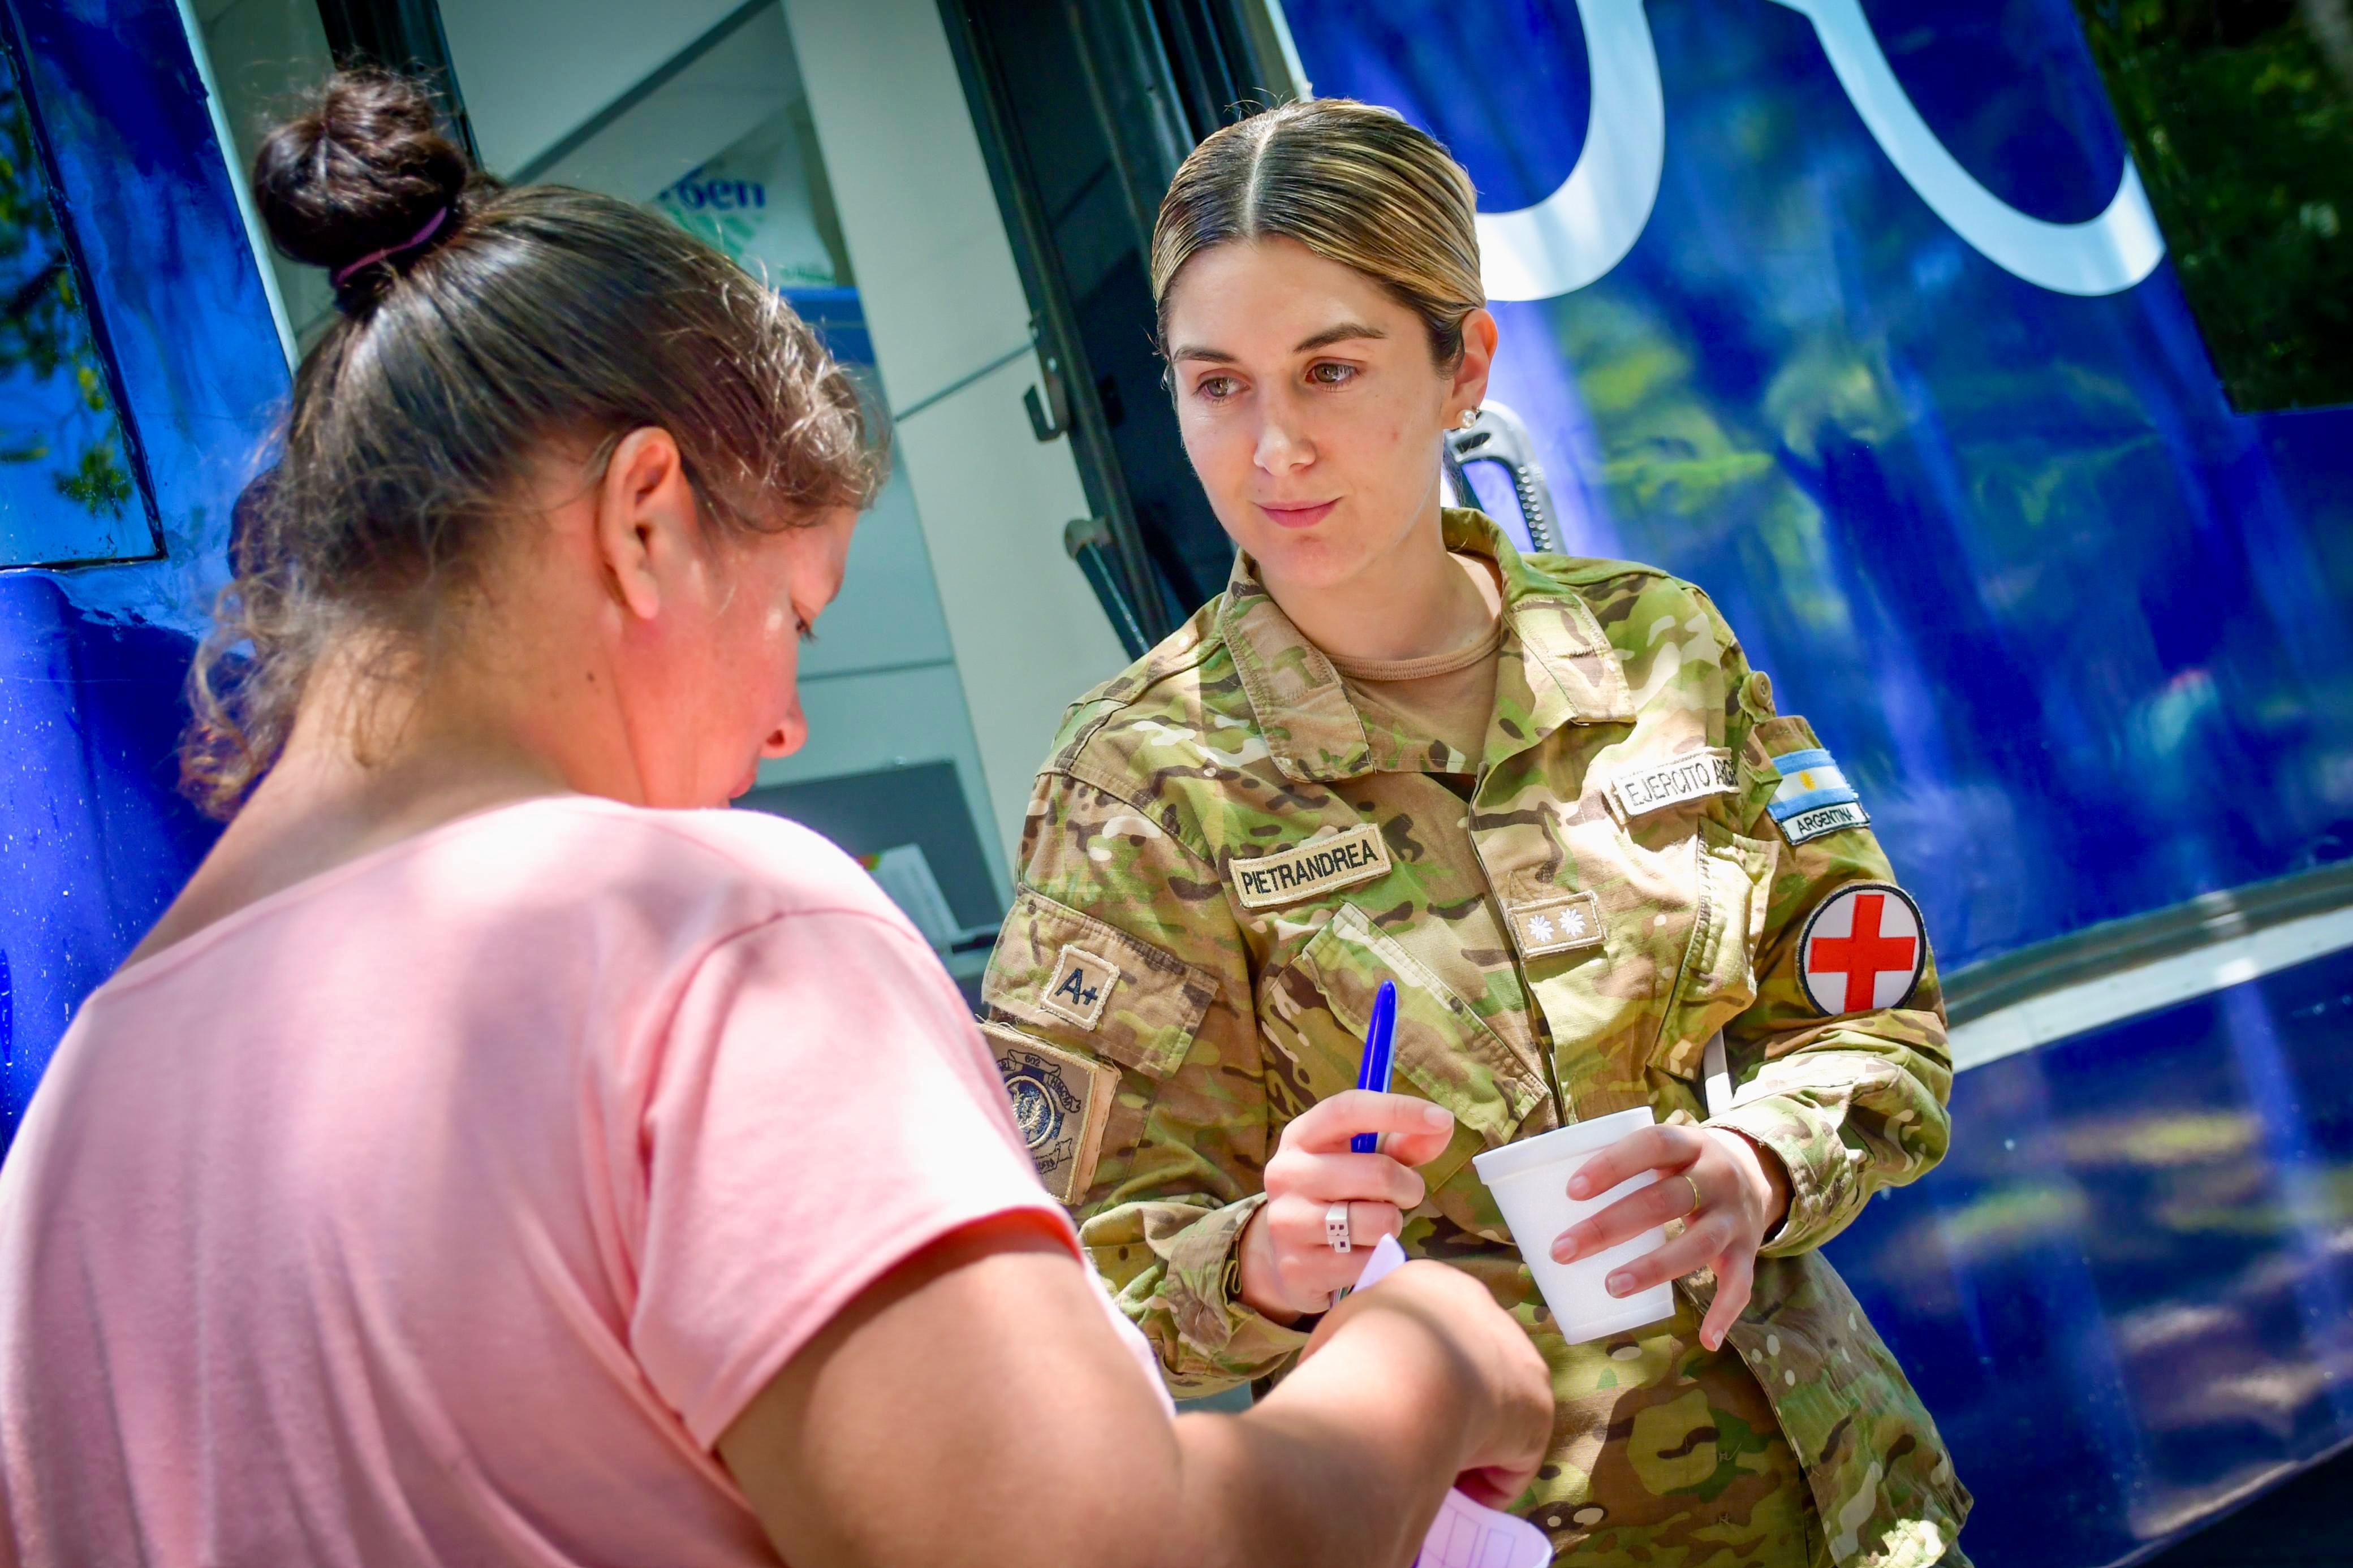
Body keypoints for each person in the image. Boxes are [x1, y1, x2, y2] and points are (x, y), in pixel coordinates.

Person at [0, 74, 1554, 1568]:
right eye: (796, 619)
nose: (787, 725)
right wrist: (1420, 1369)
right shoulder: (709, 942)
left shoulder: (70, 1131)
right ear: (647, 520)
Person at [981, 98, 1971, 1567]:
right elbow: (1079, 1279)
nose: (1273, 450)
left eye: (1331, 370)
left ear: (1466, 368)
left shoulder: (1661, 651)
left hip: (1840, 1512)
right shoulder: (1140, 782)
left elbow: (1878, 1022)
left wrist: (1757, 1164)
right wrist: (1267, 1252)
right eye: (1217, 386)